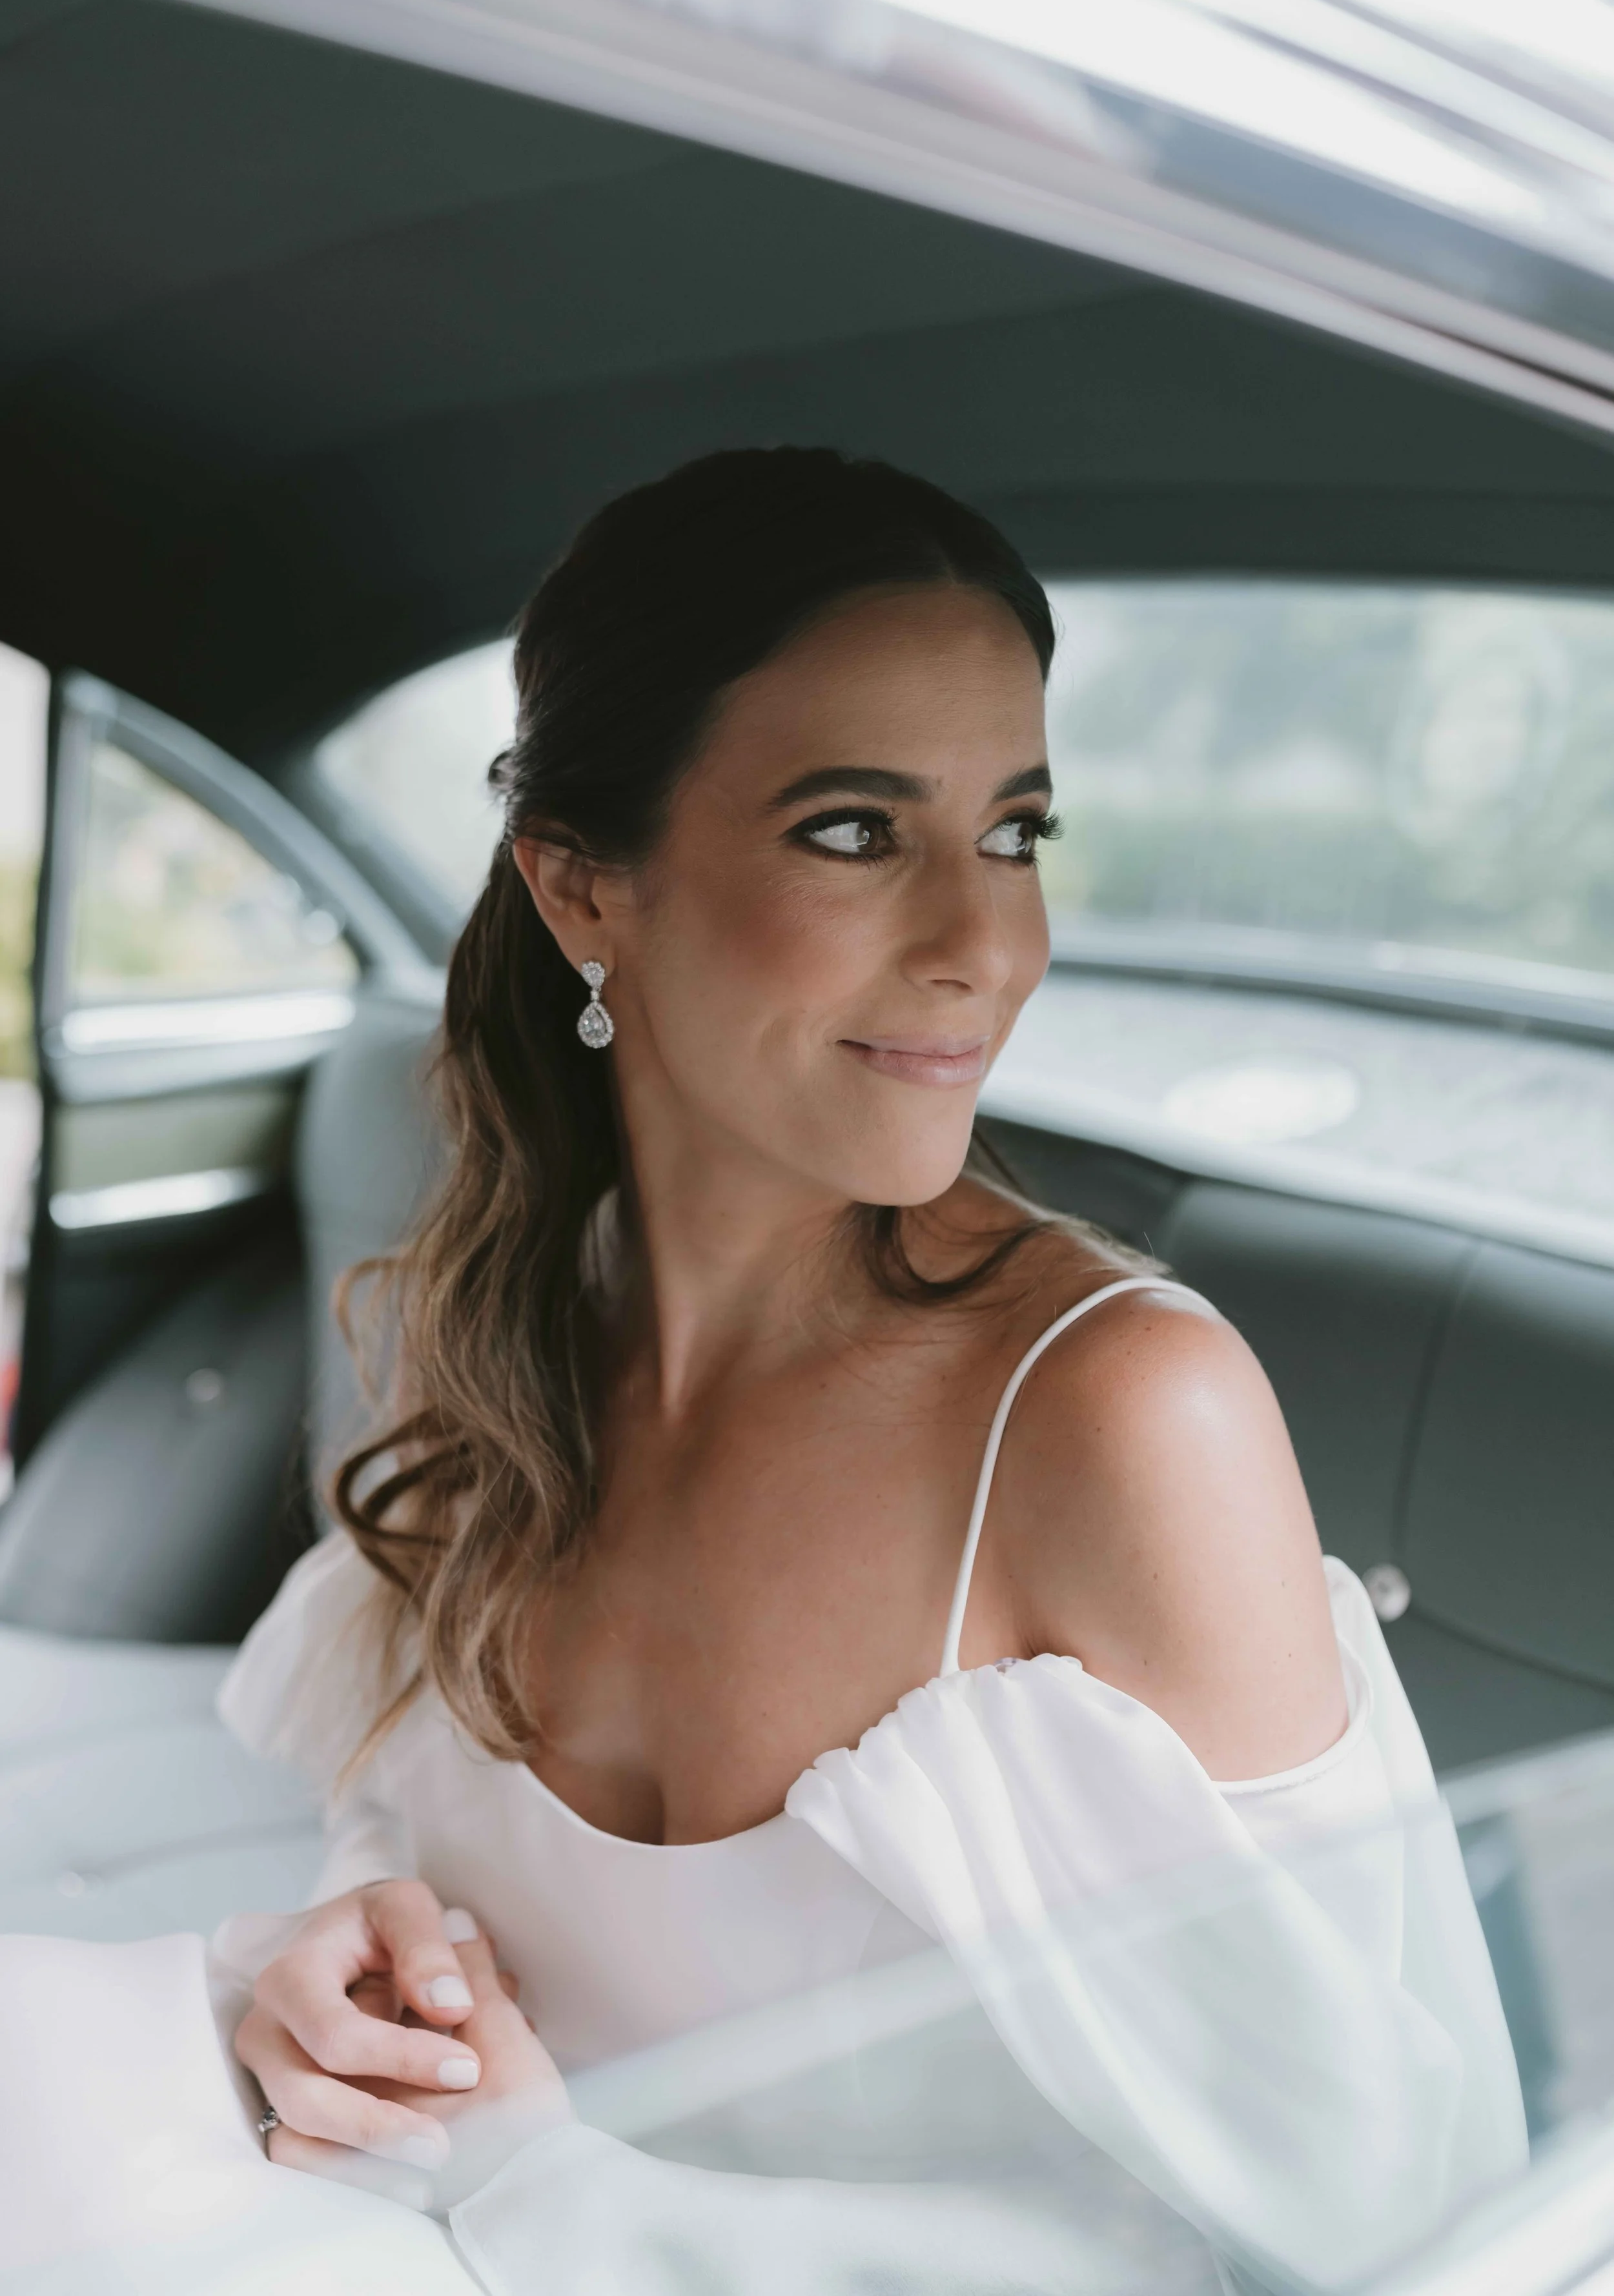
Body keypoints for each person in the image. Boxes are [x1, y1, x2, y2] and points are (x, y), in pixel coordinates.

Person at [6, 449, 1525, 2296]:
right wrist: (350, 1979)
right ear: (582, 890)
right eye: (854, 829)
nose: (987, 943)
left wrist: (550, 2190)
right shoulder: (499, 1352)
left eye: (1017, 830)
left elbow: (1376, 2240)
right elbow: (412, 1865)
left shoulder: (1118, 1414)